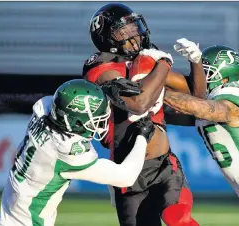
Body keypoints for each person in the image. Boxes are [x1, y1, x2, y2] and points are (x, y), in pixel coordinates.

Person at [83, 2, 206, 226]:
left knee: (178, 219)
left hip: (164, 164)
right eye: (124, 31)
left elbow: (197, 95)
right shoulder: (100, 67)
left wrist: (196, 61)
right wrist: (163, 64)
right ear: (106, 39)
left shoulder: (146, 59)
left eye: (134, 28)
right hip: (127, 171)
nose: (134, 36)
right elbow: (139, 104)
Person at [0, 79, 155, 226]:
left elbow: (67, 103)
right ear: (77, 122)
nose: (101, 123)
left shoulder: (43, 108)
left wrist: (102, 92)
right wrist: (142, 136)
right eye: (97, 119)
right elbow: (126, 176)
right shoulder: (66, 150)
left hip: (9, 216)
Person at [164, 45, 239, 226]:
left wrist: (159, 93)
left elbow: (199, 108)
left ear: (225, 77)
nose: (201, 79)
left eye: (206, 74)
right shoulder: (215, 97)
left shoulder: (231, 98)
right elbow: (178, 106)